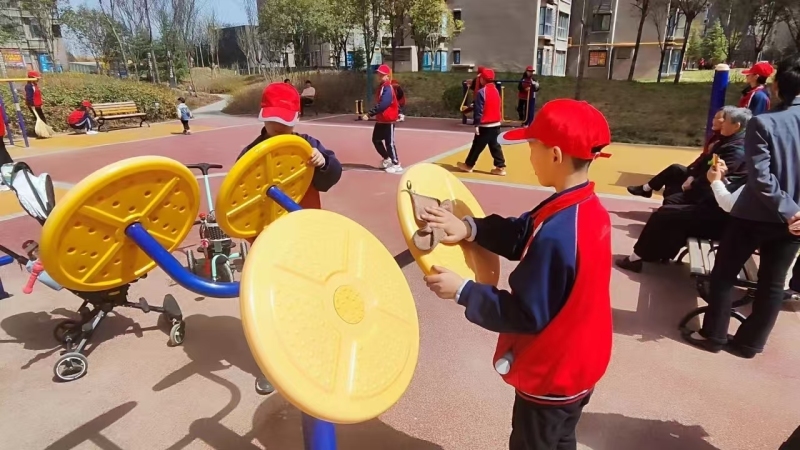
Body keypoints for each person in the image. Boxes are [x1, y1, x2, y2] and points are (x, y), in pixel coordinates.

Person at [422, 99, 613, 450]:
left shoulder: (559, 234)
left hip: (553, 371)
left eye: (531, 147)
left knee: (533, 442)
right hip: (583, 360)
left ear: (555, 155)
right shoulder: (582, 206)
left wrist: (463, 290)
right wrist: (470, 228)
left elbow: (526, 314)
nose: (528, 156)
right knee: (560, 438)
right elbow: (524, 231)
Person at [683, 55, 800, 359]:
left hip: (755, 214)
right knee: (773, 284)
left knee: (724, 274)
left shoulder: (765, 122)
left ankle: (714, 335)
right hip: (793, 224)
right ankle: (750, 344)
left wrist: (789, 209)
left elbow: (761, 176)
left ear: (778, 88)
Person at [239, 82, 342, 394]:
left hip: (304, 233)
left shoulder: (308, 146)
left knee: (312, 294)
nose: (279, 127)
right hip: (269, 238)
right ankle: (273, 365)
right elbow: (239, 197)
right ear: (263, 117)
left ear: (297, 118)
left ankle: (314, 351)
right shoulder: (251, 153)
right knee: (274, 302)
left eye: (285, 121)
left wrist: (324, 163)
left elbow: (332, 177)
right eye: (273, 121)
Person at [615, 108, 752, 273]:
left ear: (736, 126)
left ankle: (635, 258)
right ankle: (660, 252)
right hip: (713, 203)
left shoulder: (736, 150)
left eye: (725, 121)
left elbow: (718, 186)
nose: (721, 123)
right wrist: (694, 177)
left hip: (718, 215)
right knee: (671, 202)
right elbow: (706, 165)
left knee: (663, 214)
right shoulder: (728, 142)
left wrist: (699, 184)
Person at [627, 106, 740, 205]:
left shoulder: (729, 146)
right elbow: (703, 159)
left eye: (718, 118)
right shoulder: (716, 138)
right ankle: (648, 190)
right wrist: (691, 172)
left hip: (704, 183)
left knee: (674, 180)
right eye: (714, 117)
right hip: (698, 173)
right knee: (675, 171)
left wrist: (692, 179)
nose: (714, 120)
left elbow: (711, 166)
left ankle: (659, 199)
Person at [456, 68, 506, 176]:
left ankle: (469, 165)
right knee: (495, 146)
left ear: (482, 79)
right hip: (496, 123)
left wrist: (477, 124)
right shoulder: (496, 91)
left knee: (477, 145)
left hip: (485, 124)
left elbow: (479, 110)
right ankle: (500, 167)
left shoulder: (481, 92)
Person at [362, 64, 402, 174]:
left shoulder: (387, 87)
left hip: (389, 119)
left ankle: (396, 164)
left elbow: (384, 103)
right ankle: (387, 158)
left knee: (389, 143)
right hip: (382, 119)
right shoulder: (382, 86)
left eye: (382, 74)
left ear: (387, 75)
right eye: (379, 74)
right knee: (376, 139)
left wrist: (370, 114)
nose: (379, 76)